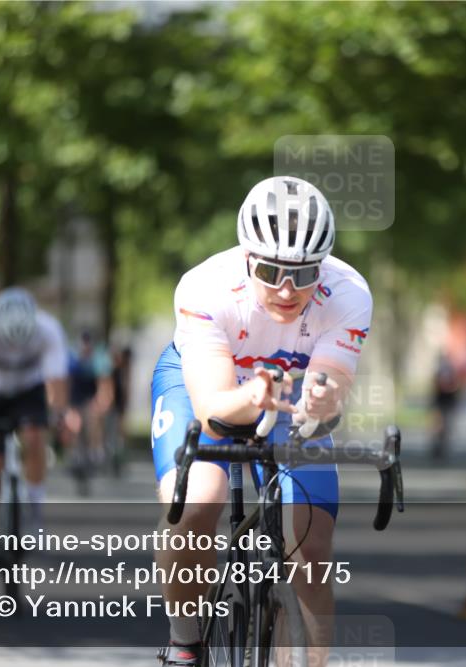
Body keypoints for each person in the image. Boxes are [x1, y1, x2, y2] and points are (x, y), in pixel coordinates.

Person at [151, 176, 371, 666]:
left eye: (304, 272)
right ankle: (185, 641)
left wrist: (320, 402)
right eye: (271, 271)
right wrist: (250, 394)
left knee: (310, 547)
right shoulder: (206, 287)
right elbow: (211, 410)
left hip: (288, 392)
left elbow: (330, 386)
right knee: (194, 506)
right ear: (248, 256)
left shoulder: (349, 292)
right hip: (206, 383)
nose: (288, 289)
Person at [0, 287, 72, 559]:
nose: (13, 351)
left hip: (28, 390)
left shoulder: (49, 329)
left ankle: (34, 514)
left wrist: (60, 416)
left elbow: (57, 381)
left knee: (34, 437)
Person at [67, 330, 114, 465]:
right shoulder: (73, 358)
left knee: (93, 420)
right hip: (76, 394)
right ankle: (75, 453)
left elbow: (103, 382)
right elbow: (67, 382)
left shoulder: (98, 358)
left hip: (91, 393)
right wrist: (68, 407)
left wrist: (102, 402)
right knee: (74, 424)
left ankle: (95, 451)